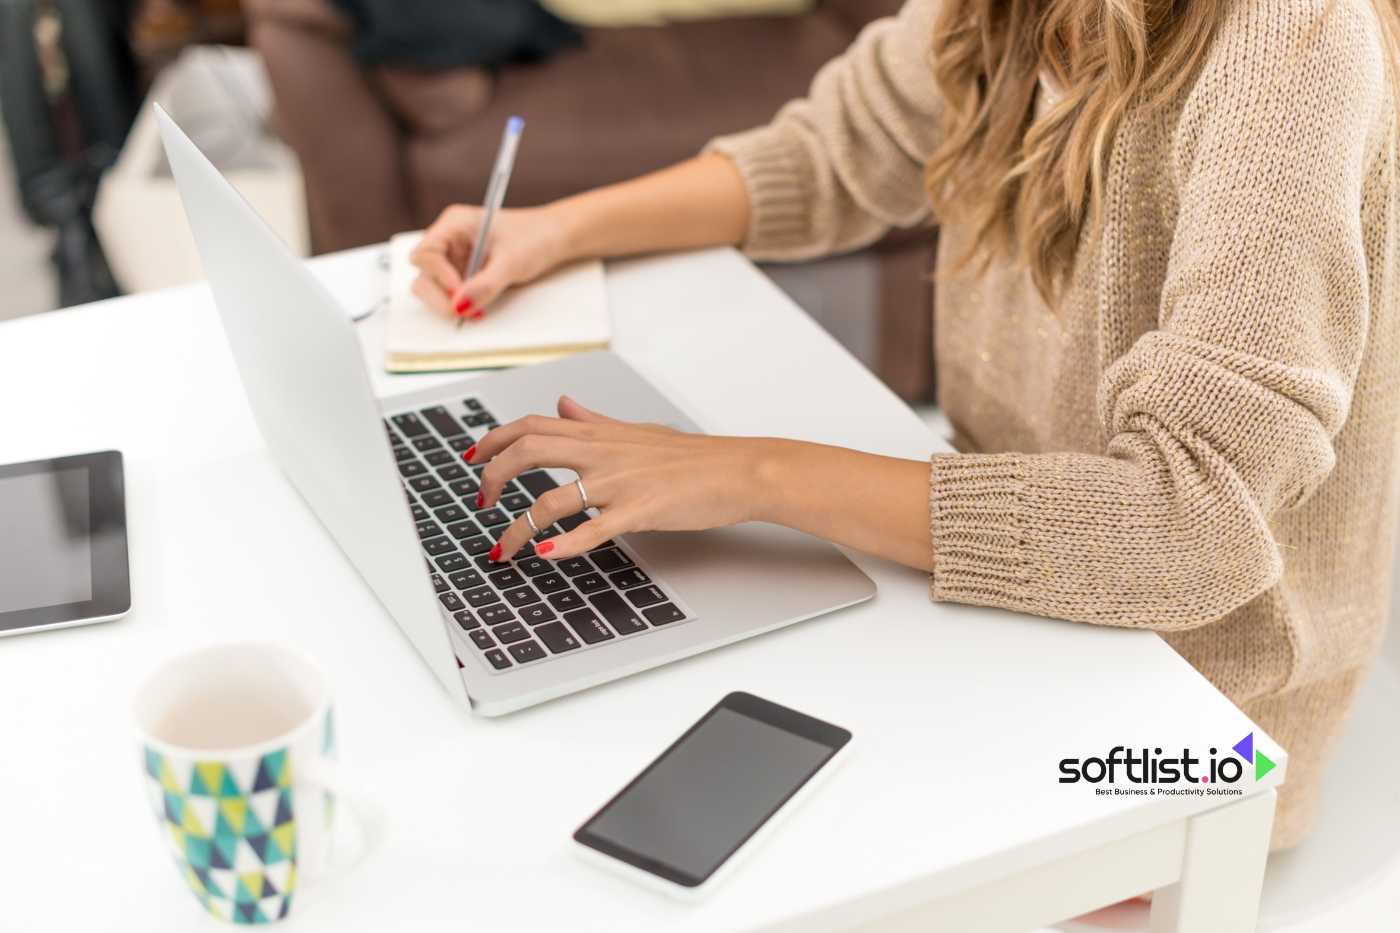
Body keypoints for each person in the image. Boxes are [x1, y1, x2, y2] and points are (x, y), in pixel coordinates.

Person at [411, 0, 1400, 850]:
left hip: (1198, 719)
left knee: (797, 847)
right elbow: (828, 155)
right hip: (1009, 598)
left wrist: (754, 476)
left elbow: (1191, 524)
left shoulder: (1289, 40)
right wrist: (559, 229)